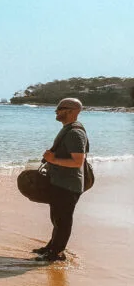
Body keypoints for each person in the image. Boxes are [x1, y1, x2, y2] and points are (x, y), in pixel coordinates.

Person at [33, 98, 89, 262]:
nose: (56, 111)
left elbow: (78, 161)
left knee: (63, 220)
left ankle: (57, 253)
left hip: (68, 185)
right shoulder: (68, 129)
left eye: (60, 108)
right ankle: (52, 247)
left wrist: (52, 159)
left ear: (73, 111)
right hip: (61, 183)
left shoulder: (75, 133)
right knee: (57, 218)